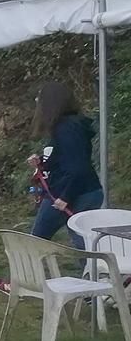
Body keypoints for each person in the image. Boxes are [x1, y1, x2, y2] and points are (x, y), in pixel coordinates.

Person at [29, 80, 104, 244]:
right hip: (79, 190)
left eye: (40, 99)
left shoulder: (67, 128)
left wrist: (65, 197)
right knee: (82, 244)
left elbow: (78, 166)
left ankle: (30, 269)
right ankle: (91, 269)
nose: (37, 102)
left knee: (37, 240)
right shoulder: (67, 127)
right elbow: (69, 157)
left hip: (72, 192)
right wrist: (42, 161)